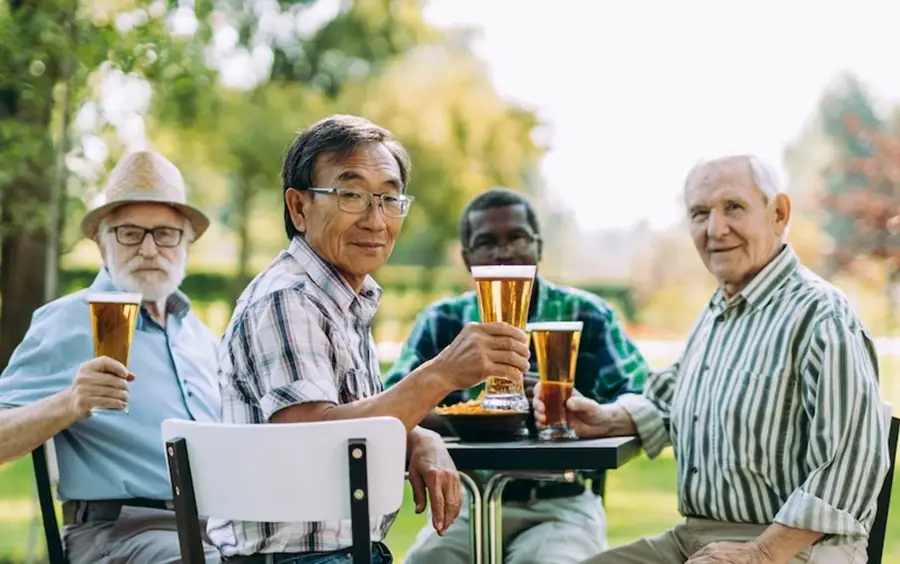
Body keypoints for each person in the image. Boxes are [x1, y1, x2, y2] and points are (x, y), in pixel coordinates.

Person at [533, 155, 890, 564]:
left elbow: (852, 463)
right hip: (699, 538)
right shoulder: (719, 310)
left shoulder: (821, 314)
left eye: (733, 207)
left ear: (779, 213)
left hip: (799, 549)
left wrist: (761, 552)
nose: (716, 229)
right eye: (700, 214)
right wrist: (608, 418)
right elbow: (670, 398)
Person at [211, 115, 531, 564]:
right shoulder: (288, 299)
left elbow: (350, 419)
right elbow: (309, 440)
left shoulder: (342, 299)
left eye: (388, 197)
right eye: (352, 195)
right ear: (299, 207)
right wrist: (440, 375)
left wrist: (417, 435)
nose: (376, 219)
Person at [385, 187, 650, 564]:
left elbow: (641, 397)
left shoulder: (587, 315)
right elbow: (389, 409)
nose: (503, 252)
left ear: (539, 246)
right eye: (487, 242)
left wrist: (576, 407)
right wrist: (477, 415)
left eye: (517, 238)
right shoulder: (442, 321)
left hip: (560, 504)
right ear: (467, 257)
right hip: (466, 505)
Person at [0, 150, 222, 564]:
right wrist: (71, 402)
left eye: (166, 234)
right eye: (130, 233)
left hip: (218, 532)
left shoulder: (201, 337)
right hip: (119, 533)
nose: (150, 248)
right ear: (103, 246)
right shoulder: (68, 321)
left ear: (186, 245)